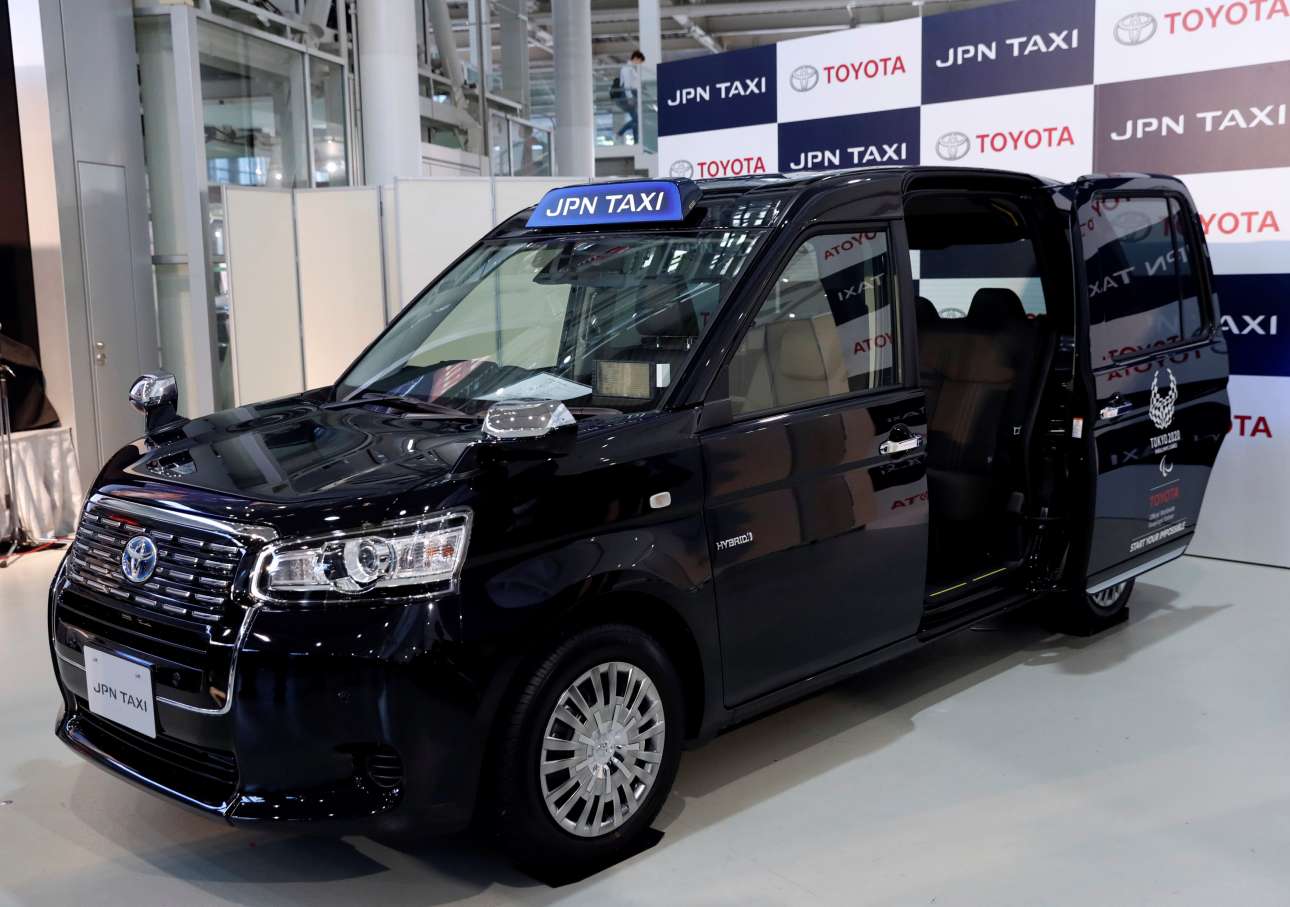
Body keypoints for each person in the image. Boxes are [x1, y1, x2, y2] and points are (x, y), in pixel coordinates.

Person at [616, 50, 645, 144]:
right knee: (637, 119)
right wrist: (630, 97)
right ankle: (621, 133)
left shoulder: (631, 69)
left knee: (636, 120)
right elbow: (627, 85)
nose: (639, 64)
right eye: (640, 61)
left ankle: (636, 141)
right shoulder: (627, 68)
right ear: (636, 58)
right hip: (629, 95)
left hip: (633, 95)